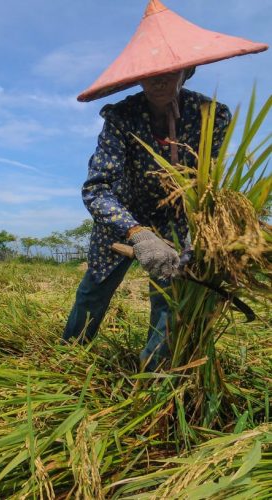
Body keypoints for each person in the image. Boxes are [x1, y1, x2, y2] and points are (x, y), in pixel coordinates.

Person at [62, 0, 267, 370]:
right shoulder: (122, 117)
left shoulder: (210, 116)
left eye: (169, 71)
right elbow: (96, 188)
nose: (159, 79)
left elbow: (210, 186)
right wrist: (138, 233)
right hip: (123, 217)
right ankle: (68, 358)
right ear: (137, 76)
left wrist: (204, 231)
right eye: (149, 71)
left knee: (170, 300)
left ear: (186, 71)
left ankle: (154, 376)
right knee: (94, 290)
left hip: (178, 218)